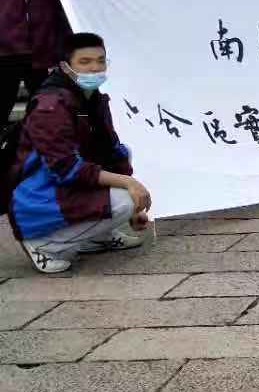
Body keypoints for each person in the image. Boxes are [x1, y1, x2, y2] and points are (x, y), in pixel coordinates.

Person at [5, 32, 151, 274]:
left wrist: (134, 211)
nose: (95, 68)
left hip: (65, 186)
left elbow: (111, 151)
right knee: (124, 197)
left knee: (124, 155)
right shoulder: (50, 106)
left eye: (100, 61)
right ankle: (43, 245)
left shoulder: (93, 99)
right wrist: (129, 184)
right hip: (39, 198)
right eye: (85, 62)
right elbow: (65, 168)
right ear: (65, 66)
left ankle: (99, 237)